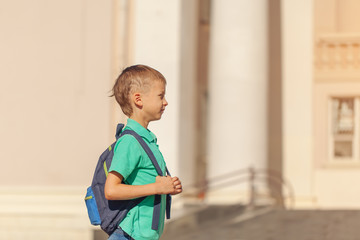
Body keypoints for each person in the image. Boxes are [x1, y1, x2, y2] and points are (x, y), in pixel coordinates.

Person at [104, 65, 182, 240]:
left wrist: (168, 186)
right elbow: (111, 190)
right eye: (161, 96)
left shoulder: (147, 140)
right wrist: (156, 187)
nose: (166, 102)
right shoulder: (130, 142)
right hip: (129, 236)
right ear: (138, 99)